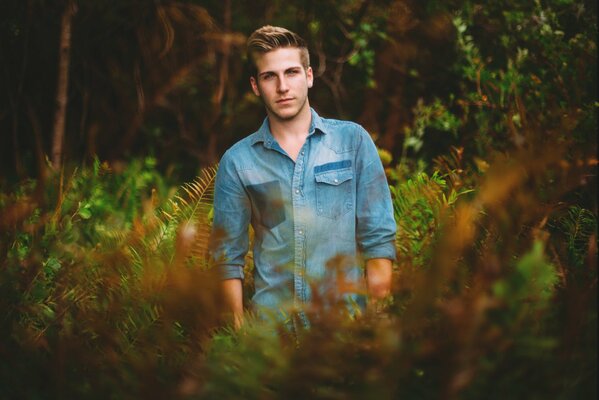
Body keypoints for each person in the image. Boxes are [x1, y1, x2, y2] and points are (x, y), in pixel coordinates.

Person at [211, 25, 396, 329]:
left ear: (309, 76)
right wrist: (239, 331)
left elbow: (378, 239)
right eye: (270, 76)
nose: (283, 86)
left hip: (342, 332)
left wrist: (373, 322)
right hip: (272, 339)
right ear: (256, 86)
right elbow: (226, 257)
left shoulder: (353, 142)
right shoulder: (238, 162)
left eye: (292, 72)